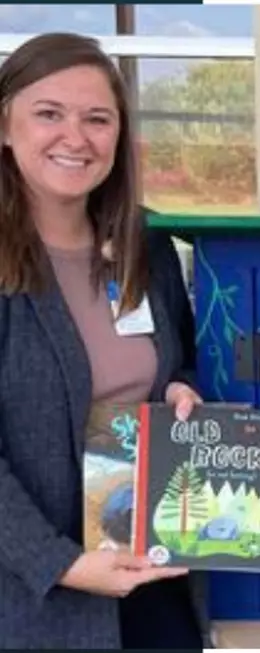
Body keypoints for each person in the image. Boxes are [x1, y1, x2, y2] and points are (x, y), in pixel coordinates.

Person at [0, 33, 210, 648]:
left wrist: (180, 388)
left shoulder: (146, 250)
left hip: (156, 580)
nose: (76, 137)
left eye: (98, 118)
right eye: (48, 114)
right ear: (5, 127)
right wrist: (61, 563)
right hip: (33, 602)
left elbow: (185, 365)